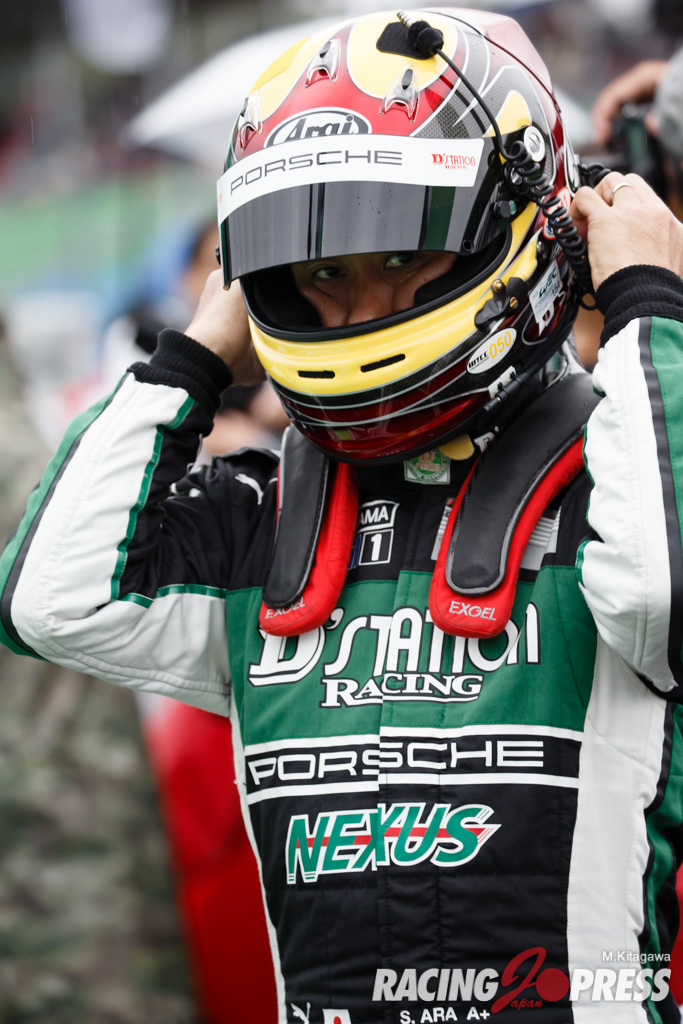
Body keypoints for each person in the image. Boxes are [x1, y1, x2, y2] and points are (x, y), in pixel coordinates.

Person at [2, 8, 683, 1022]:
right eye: (321, 274)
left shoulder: (617, 482)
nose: (358, 311)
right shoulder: (263, 514)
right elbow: (51, 598)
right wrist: (196, 352)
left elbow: (663, 595)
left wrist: (645, 300)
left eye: (399, 256)